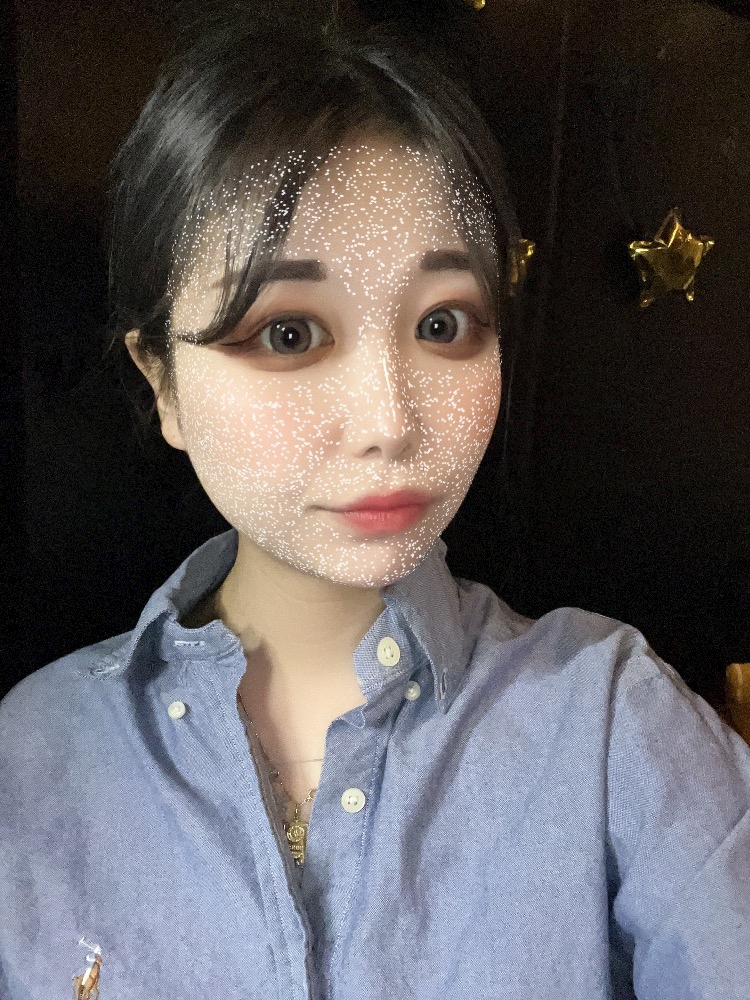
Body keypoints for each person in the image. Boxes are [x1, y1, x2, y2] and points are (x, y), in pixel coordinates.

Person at [2, 8, 749, 1000]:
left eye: (443, 323)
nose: (391, 421)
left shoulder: (613, 725)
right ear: (162, 384)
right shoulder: (33, 757)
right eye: (289, 333)